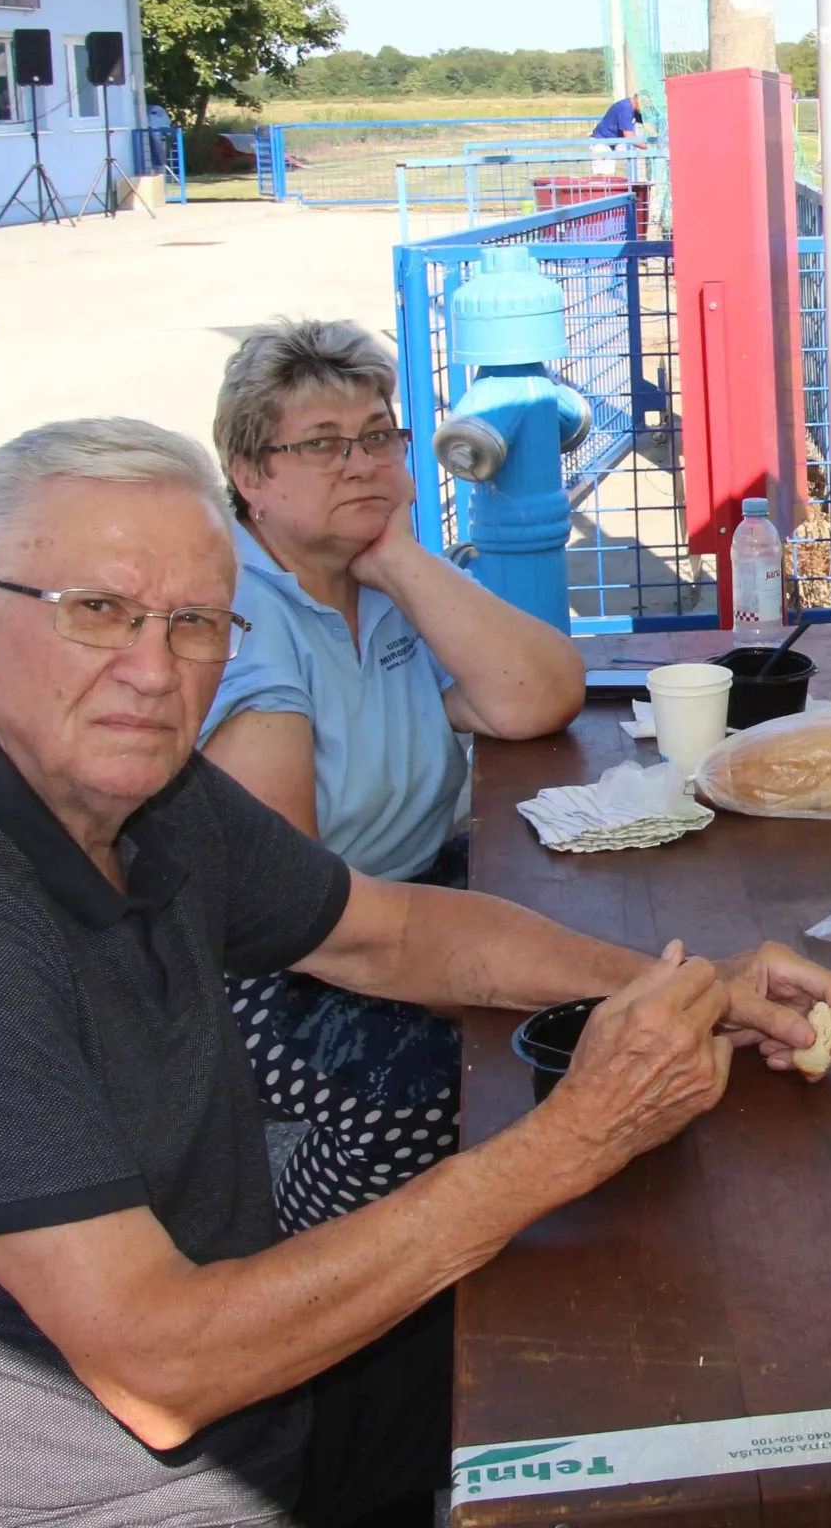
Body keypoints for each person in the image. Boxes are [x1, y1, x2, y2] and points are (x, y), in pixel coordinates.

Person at [0, 419, 831, 1528]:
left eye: (193, 623)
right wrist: (578, 1133)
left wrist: (686, 982)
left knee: (692, 1355)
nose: (150, 668)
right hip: (94, 1494)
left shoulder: (146, 796)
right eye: (98, 611)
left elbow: (393, 934)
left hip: (261, 1404)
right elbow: (161, 1367)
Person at [202, 322, 583, 1231]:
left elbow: (535, 699)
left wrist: (401, 558)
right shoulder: (241, 617)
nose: (362, 463)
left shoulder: (372, 578)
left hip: (406, 888)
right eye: (323, 445)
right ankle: (293, 1266)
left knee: (577, 920)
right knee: (421, 1091)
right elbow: (284, 904)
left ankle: (485, 1244)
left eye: (379, 436)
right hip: (248, 962)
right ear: (251, 477)